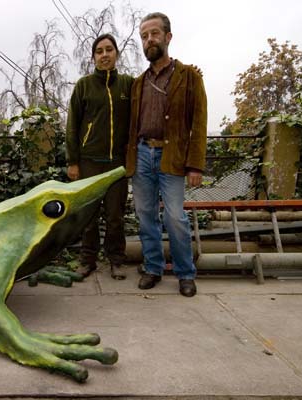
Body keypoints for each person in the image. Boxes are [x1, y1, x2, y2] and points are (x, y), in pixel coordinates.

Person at [125, 12, 207, 297]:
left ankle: (185, 273)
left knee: (175, 217)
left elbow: (199, 121)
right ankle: (153, 267)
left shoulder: (190, 76)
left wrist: (195, 164)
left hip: (172, 156)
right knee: (146, 215)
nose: (149, 40)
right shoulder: (138, 83)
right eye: (144, 36)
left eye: (154, 34)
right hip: (142, 155)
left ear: (168, 37)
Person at [65, 33, 134, 280]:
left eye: (109, 50)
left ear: (116, 53)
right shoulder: (84, 85)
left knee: (115, 216)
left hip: (118, 163)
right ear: (94, 56)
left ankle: (116, 261)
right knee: (89, 215)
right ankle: (88, 260)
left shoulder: (128, 84)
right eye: (99, 51)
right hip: (89, 162)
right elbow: (72, 124)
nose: (104, 55)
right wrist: (73, 162)